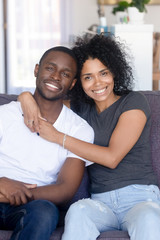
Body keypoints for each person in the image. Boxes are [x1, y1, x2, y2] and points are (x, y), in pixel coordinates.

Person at [18, 34, 160, 240]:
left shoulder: (133, 102)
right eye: (88, 77)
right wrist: (24, 97)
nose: (97, 83)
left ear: (114, 72)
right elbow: (44, 101)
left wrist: (58, 137)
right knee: (78, 211)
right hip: (101, 203)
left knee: (149, 217)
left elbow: (112, 158)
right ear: (79, 83)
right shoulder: (81, 109)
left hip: (140, 198)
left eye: (103, 73)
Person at [0, 46, 94, 240]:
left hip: (34, 203)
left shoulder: (79, 129)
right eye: (50, 68)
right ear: (37, 70)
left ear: (73, 83)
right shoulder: (5, 115)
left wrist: (18, 193)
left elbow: (65, 189)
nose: (56, 77)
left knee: (45, 212)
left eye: (65, 74)